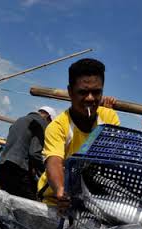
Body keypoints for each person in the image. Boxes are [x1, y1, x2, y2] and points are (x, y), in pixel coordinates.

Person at [38, 58, 119, 207]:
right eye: (82, 92)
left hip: (89, 200)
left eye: (96, 92)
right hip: (56, 200)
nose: (90, 98)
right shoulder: (58, 126)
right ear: (70, 92)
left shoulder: (109, 117)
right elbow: (54, 161)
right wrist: (61, 190)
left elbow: (111, 158)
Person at [0, 106, 57, 199]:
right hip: (18, 170)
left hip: (2, 166)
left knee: (6, 201)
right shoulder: (41, 124)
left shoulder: (19, 120)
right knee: (31, 202)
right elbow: (34, 153)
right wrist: (45, 172)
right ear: (48, 118)